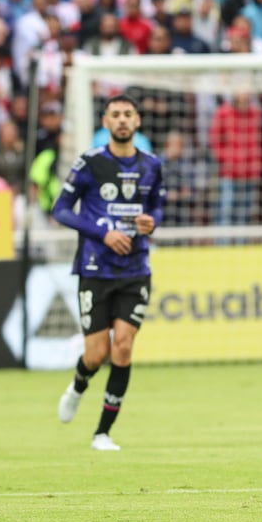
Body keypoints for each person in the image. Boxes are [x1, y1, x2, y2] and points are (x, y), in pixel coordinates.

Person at [52, 95, 164, 451]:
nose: (121, 120)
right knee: (96, 354)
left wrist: (152, 222)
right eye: (115, 115)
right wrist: (103, 233)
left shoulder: (151, 165)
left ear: (138, 121)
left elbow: (157, 206)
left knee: (125, 347)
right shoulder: (89, 163)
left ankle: (102, 433)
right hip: (95, 269)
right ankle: (78, 385)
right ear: (105, 121)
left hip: (135, 268)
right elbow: (62, 210)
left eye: (127, 114)